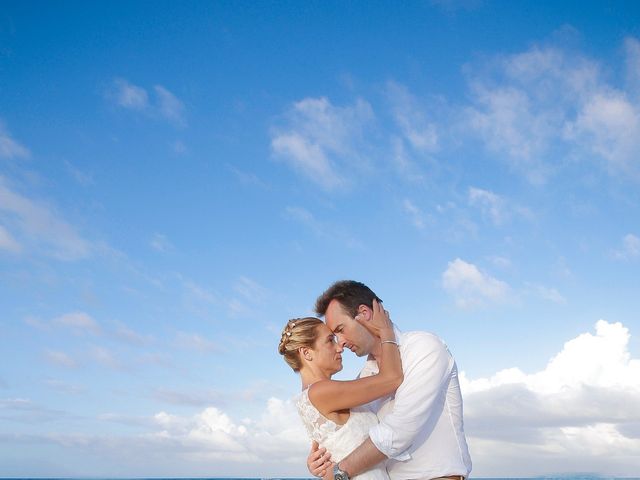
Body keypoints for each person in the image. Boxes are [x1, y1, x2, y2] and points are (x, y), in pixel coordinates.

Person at [307, 280, 472, 480]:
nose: (340, 342)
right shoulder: (365, 376)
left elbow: (401, 429)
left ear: (364, 314)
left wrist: (340, 472)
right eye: (333, 336)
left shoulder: (424, 347)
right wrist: (323, 458)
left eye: (340, 329)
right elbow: (354, 434)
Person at [278, 299, 403, 480]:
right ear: (307, 353)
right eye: (330, 341)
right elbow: (392, 378)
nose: (339, 347)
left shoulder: (313, 396)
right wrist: (385, 331)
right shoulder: (321, 392)